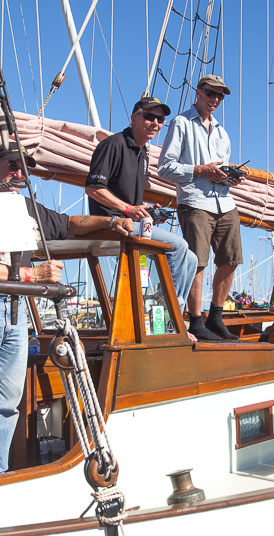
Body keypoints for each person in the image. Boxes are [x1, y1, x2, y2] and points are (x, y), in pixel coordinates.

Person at [0, 142, 133, 476]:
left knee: (8, 401)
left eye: (23, 169)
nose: (17, 173)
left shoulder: (27, 209)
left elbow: (70, 223)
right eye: (11, 165)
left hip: (17, 310)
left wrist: (112, 222)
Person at [85, 96, 198, 317]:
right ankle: (170, 319)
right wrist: (128, 209)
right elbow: (93, 188)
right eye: (149, 116)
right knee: (178, 246)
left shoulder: (141, 152)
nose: (155, 123)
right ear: (134, 118)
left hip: (131, 222)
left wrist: (145, 210)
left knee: (191, 258)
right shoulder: (113, 144)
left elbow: (126, 199)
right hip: (111, 223)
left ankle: (175, 313)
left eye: (160, 119)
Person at [159, 74, 242, 342]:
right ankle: (195, 321)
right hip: (195, 202)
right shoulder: (181, 124)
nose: (215, 99)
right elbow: (165, 167)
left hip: (225, 202)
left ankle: (215, 316)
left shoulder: (222, 133)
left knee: (231, 259)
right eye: (210, 93)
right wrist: (200, 170)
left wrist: (232, 176)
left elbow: (220, 169)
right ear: (198, 92)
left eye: (220, 96)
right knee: (198, 262)